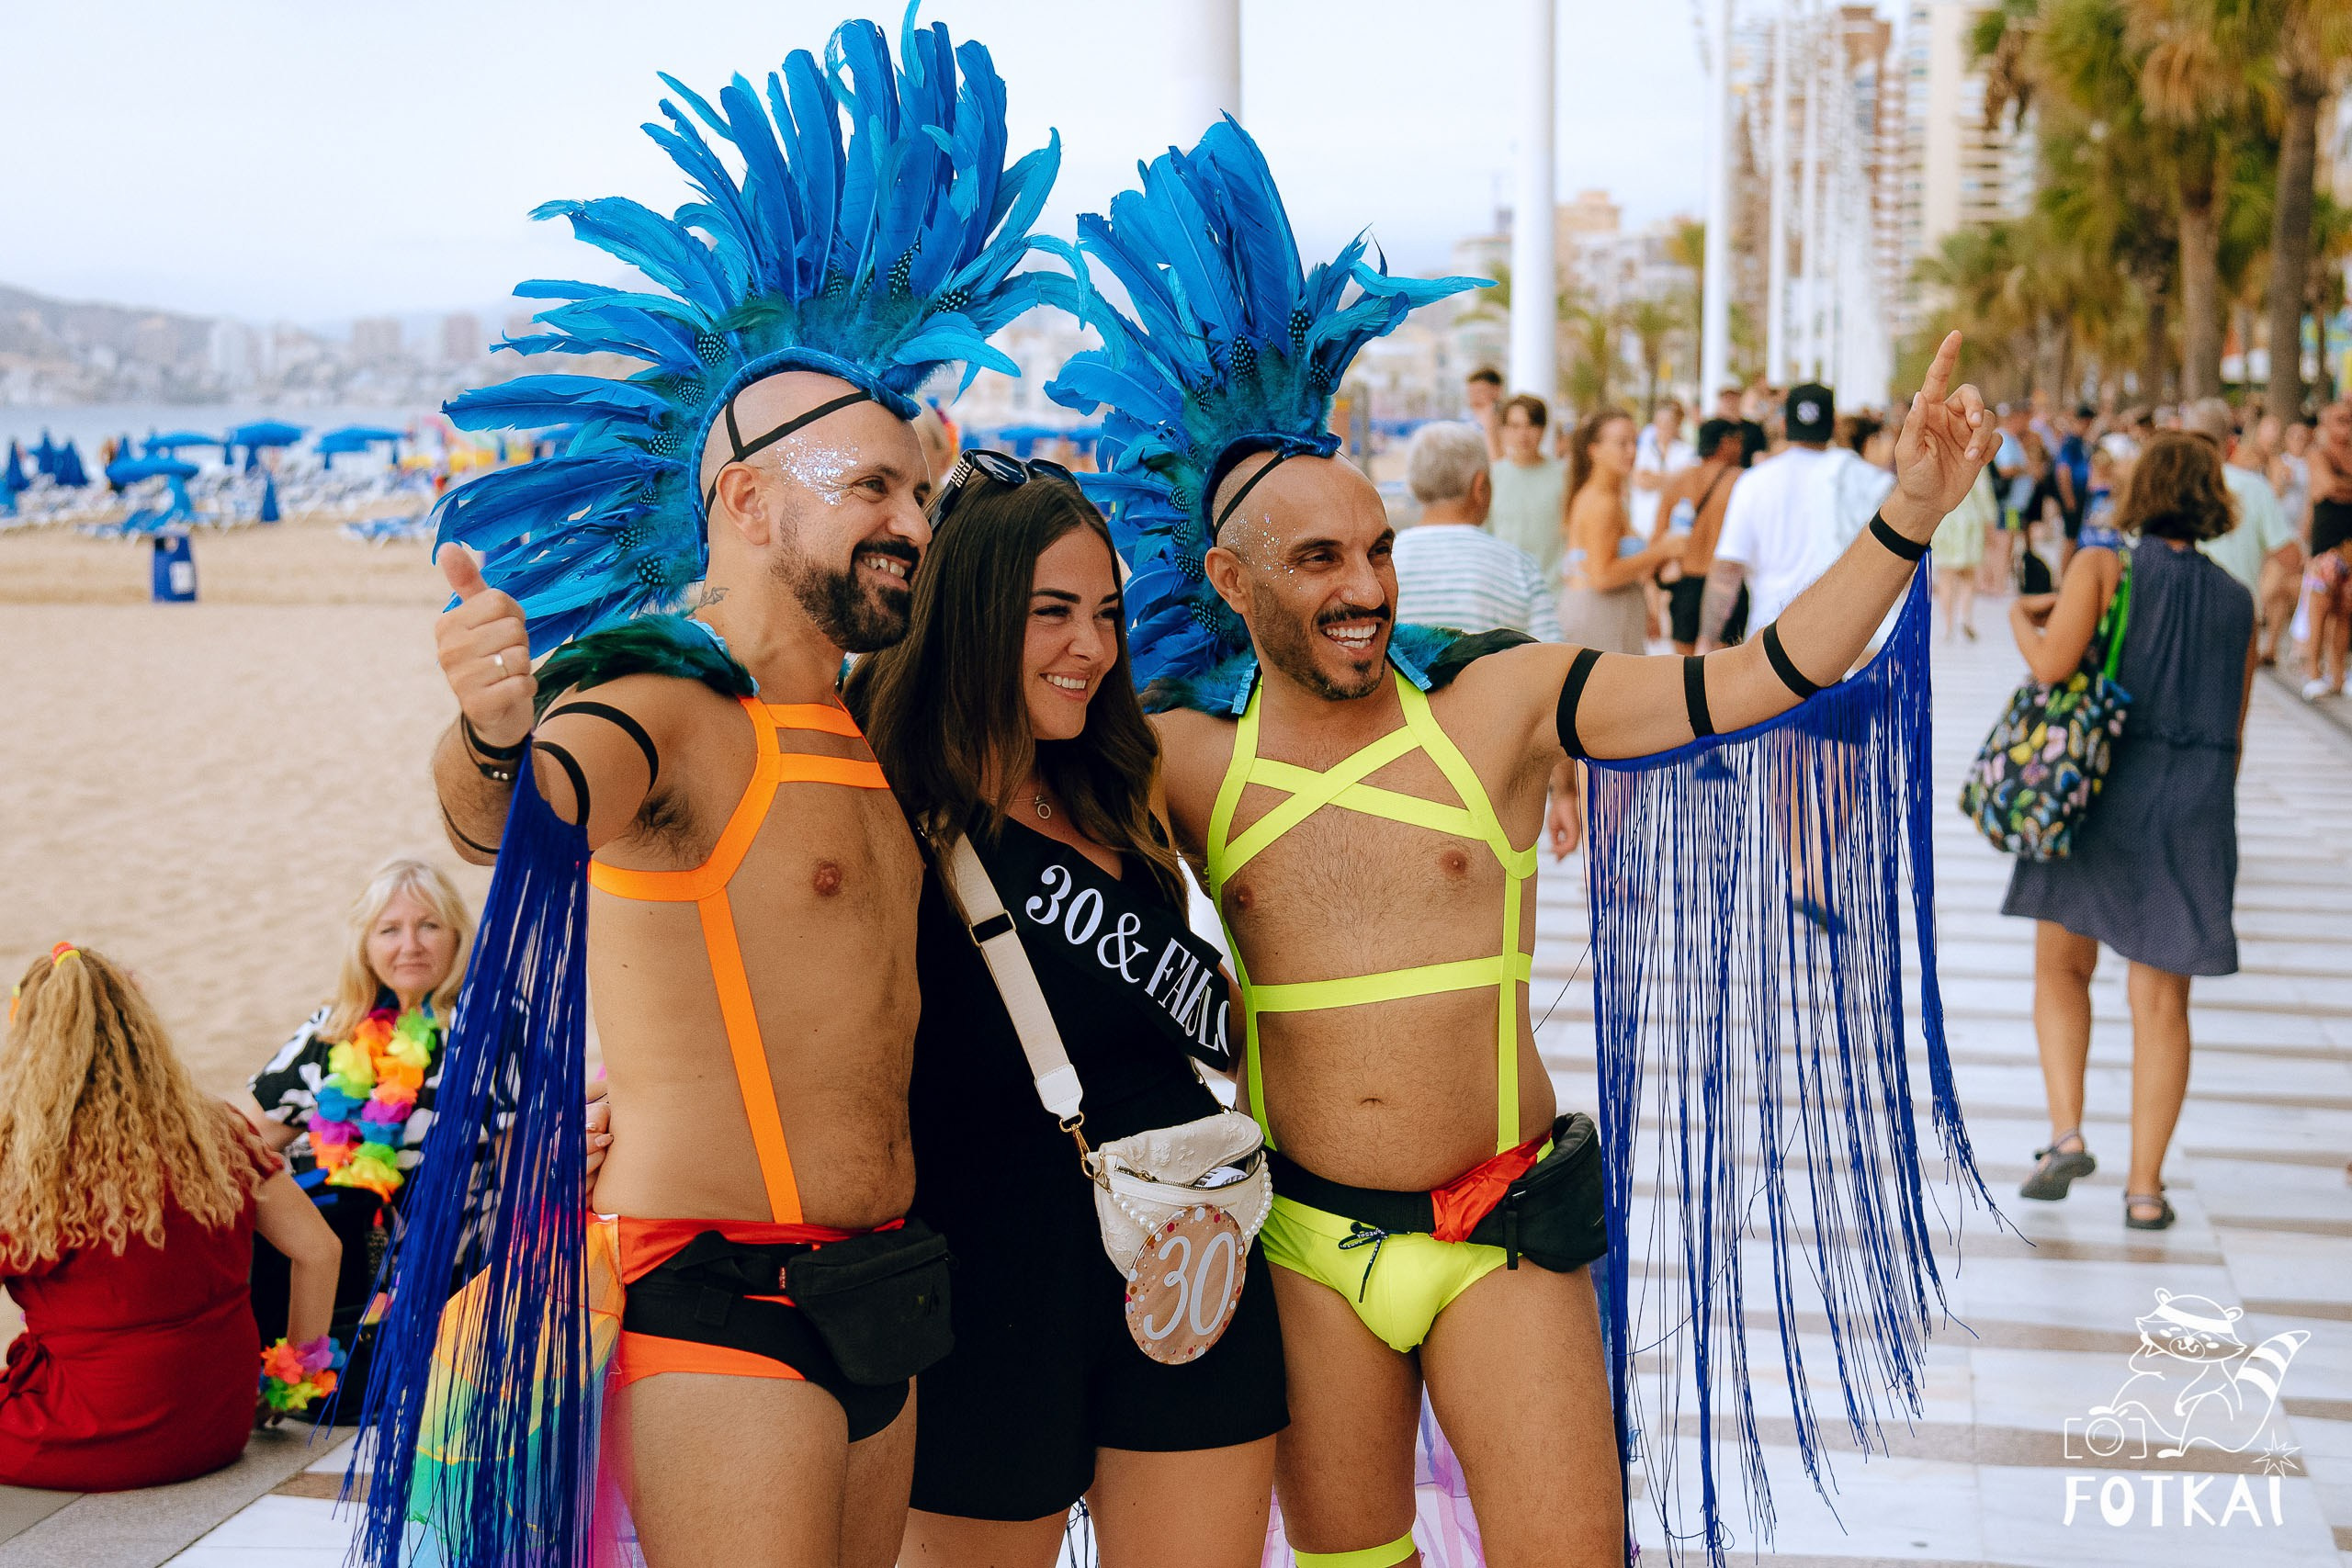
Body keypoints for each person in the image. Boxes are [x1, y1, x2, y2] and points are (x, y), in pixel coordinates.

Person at [1045, 114, 1997, 1566]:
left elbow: (1755, 680)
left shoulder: (1497, 703)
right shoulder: (1187, 757)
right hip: (1301, 1240)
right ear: (1231, 580)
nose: (1366, 585)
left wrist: (1906, 517)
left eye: (1377, 549)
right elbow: (978, 802)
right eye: (1321, 562)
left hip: (1502, 1226)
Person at [370, 23, 1068, 1567]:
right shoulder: (668, 697)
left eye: (918, 493)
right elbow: (522, 813)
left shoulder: (858, 721)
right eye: (873, 490)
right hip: (719, 1303)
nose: (909, 522)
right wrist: (492, 732)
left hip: (885, 1291)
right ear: (747, 500)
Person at [833, 457, 1288, 1567]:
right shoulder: (874, 799)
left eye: (1106, 615)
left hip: (1189, 1246)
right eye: (1051, 615)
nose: (1089, 648)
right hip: (986, 1285)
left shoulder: (1115, 779)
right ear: (972, 613)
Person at [2004, 433, 2256, 1232]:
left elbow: (2050, 665)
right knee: (2161, 1001)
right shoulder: (2236, 598)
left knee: (2062, 965)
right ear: (2212, 498)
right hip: (2194, 800)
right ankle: (2145, 1190)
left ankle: (2067, 1131)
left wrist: (2019, 614)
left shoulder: (2102, 566)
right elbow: (2236, 725)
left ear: (2141, 490)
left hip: (2102, 791)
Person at [0, 944, 341, 1490]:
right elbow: (320, 1250)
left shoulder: (28, 1162)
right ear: (142, 1032)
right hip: (219, 1426)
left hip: (92, 1434)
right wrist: (288, 1386)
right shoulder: (214, 1134)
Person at [240, 858, 474, 1395]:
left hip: (464, 1291)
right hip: (353, 1290)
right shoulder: (331, 1033)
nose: (409, 945)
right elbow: (241, 1146)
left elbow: (528, 1168)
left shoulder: (492, 1029)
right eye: (389, 930)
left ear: (457, 934)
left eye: (428, 925)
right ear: (365, 945)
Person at [1693, 382, 1843, 654]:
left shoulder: (1754, 482)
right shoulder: (1863, 481)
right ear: (1835, 426)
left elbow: (1727, 570)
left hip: (1769, 641)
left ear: (1784, 424)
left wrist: (1706, 642)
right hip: (1843, 640)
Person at [1394, 422, 1563, 641]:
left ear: (1413, 486)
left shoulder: (1386, 561)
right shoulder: (1520, 568)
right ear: (1480, 486)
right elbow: (1553, 660)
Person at [2183, 399, 2300, 667]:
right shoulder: (2254, 488)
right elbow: (2290, 556)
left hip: (2181, 611)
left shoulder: (2169, 485)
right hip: (2238, 613)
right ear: (2230, 441)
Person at [1558, 408, 1684, 654]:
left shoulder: (1610, 497)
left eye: (1634, 442)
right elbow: (1601, 575)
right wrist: (1661, 551)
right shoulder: (1602, 503)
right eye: (1621, 444)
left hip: (1611, 620)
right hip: (1598, 621)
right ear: (1594, 451)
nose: (1632, 451)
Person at [1652, 417, 1746, 653]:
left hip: (1686, 583)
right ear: (1725, 443)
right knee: (1723, 670)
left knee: (1684, 670)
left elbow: (1658, 539)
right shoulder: (1742, 481)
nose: (1742, 447)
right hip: (1726, 584)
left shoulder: (1678, 480)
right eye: (1738, 441)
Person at [1483, 393, 1568, 584]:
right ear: (1504, 430)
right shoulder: (1492, 478)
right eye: (1515, 426)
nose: (1523, 434)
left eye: (1531, 425)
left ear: (1543, 429)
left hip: (1554, 590)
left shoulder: (1564, 476)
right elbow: (1485, 535)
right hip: (1505, 588)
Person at [2301, 400, 2352, 698]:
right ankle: (2313, 671)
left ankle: (2337, 674)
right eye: (2340, 420)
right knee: (2319, 606)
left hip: (2349, 547)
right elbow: (2325, 487)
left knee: (2346, 606)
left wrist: (2339, 485)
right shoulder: (2317, 454)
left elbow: (2335, 486)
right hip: (2325, 546)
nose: (2346, 427)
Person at [1932, 466, 1995, 640]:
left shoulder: (1941, 459)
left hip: (1945, 520)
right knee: (1968, 574)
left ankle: (1948, 625)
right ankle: (1965, 617)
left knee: (1946, 575)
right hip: (1970, 521)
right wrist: (1990, 522)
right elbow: (1984, 494)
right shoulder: (1977, 462)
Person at [1628, 398, 1692, 538]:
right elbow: (1641, 480)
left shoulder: (1687, 452)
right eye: (1660, 422)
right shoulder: (1643, 451)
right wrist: (1674, 477)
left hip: (1675, 528)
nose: (1663, 427)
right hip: (1643, 528)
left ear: (1677, 425)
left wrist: (1653, 477)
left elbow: (1686, 482)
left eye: (1668, 423)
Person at [1463, 367, 1505, 458]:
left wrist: (1489, 429)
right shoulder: (1470, 427)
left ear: (1497, 391)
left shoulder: (1510, 425)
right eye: (1470, 393)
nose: (1473, 399)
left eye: (1479, 392)